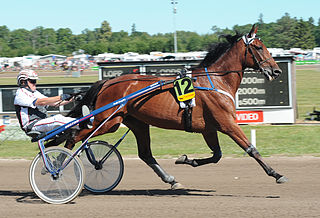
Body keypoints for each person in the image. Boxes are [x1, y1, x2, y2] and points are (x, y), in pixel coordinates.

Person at [14, 69, 77, 134]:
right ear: (23, 82)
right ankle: (81, 124)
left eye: (35, 81)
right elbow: (41, 102)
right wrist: (61, 97)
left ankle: (81, 124)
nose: (35, 83)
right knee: (57, 119)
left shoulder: (35, 93)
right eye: (32, 81)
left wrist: (72, 99)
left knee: (60, 120)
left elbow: (55, 103)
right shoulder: (20, 94)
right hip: (32, 125)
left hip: (42, 122)